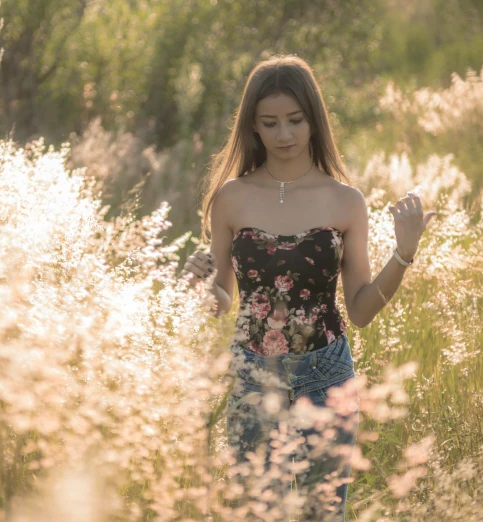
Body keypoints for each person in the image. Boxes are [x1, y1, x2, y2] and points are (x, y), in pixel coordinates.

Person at [180, 54, 436, 521]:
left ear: (314, 120)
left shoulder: (344, 201)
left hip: (327, 375)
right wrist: (198, 284)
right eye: (270, 122)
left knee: (323, 514)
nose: (284, 135)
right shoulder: (231, 198)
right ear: (252, 127)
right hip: (253, 376)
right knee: (257, 513)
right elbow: (222, 301)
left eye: (295, 120)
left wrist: (403, 252)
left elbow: (359, 310)